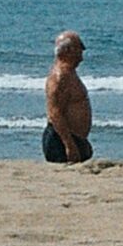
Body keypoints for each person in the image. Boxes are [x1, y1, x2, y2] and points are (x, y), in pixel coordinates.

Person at [43, 31, 93, 164]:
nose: (81, 57)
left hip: (76, 138)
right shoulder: (60, 77)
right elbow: (55, 113)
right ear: (68, 51)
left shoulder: (69, 73)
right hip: (61, 140)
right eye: (79, 50)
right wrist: (69, 145)